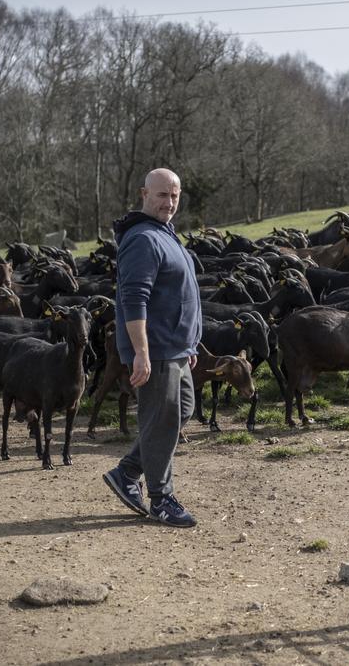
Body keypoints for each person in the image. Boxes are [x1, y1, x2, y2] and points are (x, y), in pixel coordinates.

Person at [102, 168, 202, 528]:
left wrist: (189, 340)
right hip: (156, 350)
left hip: (176, 347)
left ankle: (127, 472)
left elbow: (176, 292)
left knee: (180, 412)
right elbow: (134, 298)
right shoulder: (143, 238)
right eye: (162, 195)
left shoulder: (165, 233)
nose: (169, 202)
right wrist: (140, 351)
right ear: (144, 194)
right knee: (162, 419)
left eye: (174, 196)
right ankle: (161, 499)